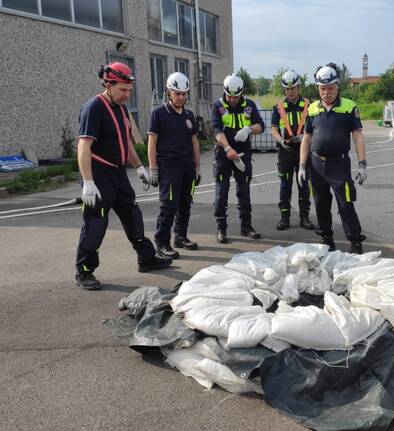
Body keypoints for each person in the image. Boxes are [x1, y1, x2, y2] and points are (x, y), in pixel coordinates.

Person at [75, 62, 172, 290]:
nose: (127, 95)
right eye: (122, 90)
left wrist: (139, 168)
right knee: (96, 224)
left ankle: (146, 258)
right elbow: (83, 147)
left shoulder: (120, 108)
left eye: (129, 90)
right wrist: (88, 182)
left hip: (118, 173)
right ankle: (84, 271)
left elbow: (125, 142)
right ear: (108, 84)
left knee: (133, 215)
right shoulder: (94, 108)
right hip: (98, 174)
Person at [298, 63, 367, 254]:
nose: (326, 92)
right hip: (316, 164)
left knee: (345, 203)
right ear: (318, 89)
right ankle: (326, 239)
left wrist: (362, 164)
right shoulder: (312, 109)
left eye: (330, 88)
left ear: (337, 86)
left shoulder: (349, 107)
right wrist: (302, 165)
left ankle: (355, 241)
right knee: (321, 203)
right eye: (322, 89)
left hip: (339, 164)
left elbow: (358, 135)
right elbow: (307, 138)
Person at [147, 72, 200, 259]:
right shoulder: (159, 114)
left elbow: (194, 142)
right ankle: (161, 244)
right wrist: (153, 169)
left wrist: (197, 168)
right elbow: (152, 142)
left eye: (184, 94)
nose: (181, 97)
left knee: (185, 204)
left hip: (187, 167)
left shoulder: (189, 115)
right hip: (169, 167)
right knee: (168, 206)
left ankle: (181, 236)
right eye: (177, 93)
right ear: (169, 92)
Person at [210, 73, 265, 243]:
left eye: (236, 96)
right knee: (221, 194)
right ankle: (221, 229)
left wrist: (248, 129)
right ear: (225, 91)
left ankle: (246, 227)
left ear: (242, 92)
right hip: (223, 155)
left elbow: (260, 125)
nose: (233, 99)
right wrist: (228, 148)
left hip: (243, 155)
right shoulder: (218, 106)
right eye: (230, 96)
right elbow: (217, 131)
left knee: (244, 193)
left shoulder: (249, 105)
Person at [270, 70, 315, 231]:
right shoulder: (279, 107)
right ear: (284, 89)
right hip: (286, 151)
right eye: (287, 89)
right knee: (285, 186)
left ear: (298, 87)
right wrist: (281, 141)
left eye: (293, 88)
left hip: (303, 151)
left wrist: (305, 136)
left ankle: (305, 217)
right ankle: (284, 218)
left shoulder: (309, 106)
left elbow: (315, 128)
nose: (290, 92)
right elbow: (274, 129)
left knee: (304, 185)